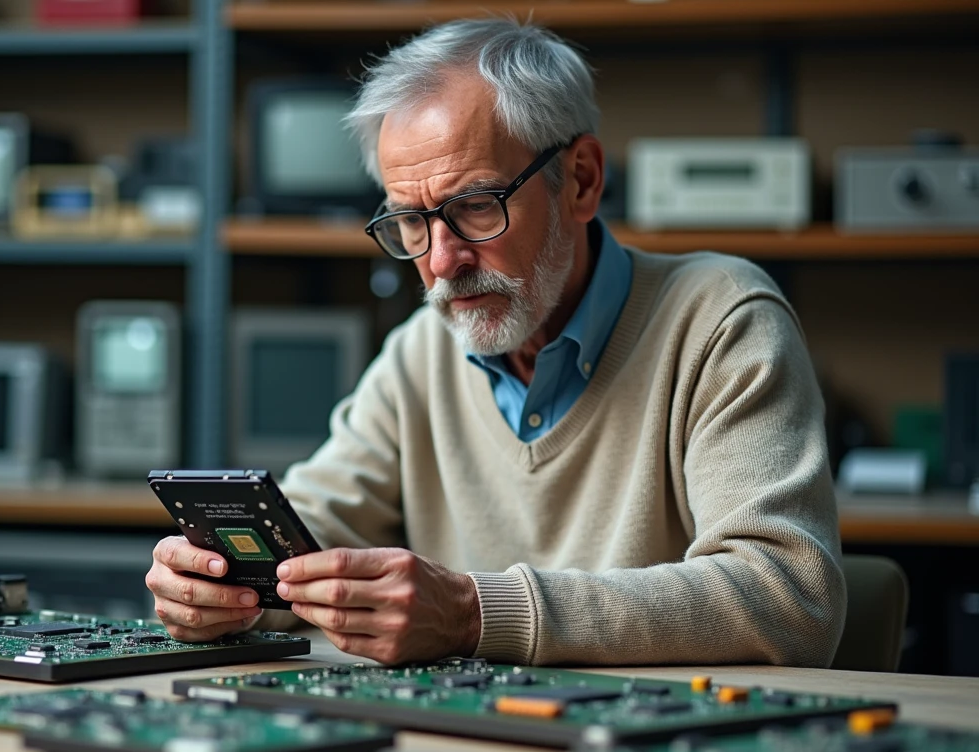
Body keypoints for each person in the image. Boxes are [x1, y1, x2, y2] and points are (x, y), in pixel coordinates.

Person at [146, 18, 845, 667]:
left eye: (476, 206)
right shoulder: (423, 351)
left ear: (581, 180)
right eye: (411, 222)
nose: (441, 261)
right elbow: (312, 528)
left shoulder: (721, 320)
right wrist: (221, 582)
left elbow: (789, 595)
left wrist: (475, 613)